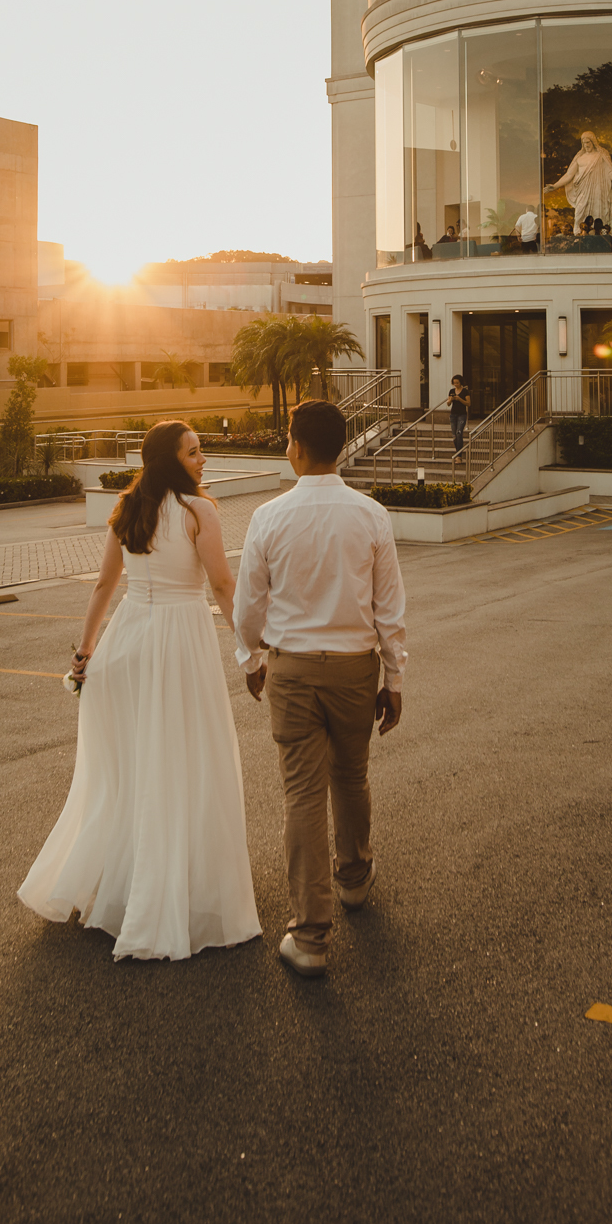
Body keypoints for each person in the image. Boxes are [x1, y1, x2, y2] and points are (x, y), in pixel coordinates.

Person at [17, 420, 261, 961]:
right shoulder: (200, 512)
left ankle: (130, 885)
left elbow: (105, 584)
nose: (204, 460)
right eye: (195, 452)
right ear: (172, 459)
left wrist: (86, 654)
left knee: (133, 769)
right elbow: (222, 583)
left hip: (130, 643)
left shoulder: (127, 508)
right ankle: (173, 887)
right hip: (179, 643)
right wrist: (251, 650)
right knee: (186, 760)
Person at [234, 399, 406, 978]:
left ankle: (310, 936)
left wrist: (251, 657)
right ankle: (354, 879)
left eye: (287, 440)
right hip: (357, 669)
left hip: (293, 670)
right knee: (351, 774)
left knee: (302, 794)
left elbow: (248, 606)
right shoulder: (371, 514)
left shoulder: (268, 517)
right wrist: (395, 677)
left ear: (298, 447)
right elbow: (390, 606)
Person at [544, 131, 612, 236]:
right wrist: (554, 186)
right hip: (583, 191)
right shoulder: (579, 158)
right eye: (584, 143)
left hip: (597, 190)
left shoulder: (601, 155)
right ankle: (578, 237)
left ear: (593, 142)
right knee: (579, 214)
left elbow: (609, 171)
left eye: (588, 142)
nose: (586, 145)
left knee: (598, 214)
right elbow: (569, 175)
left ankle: (598, 235)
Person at [445, 374, 470, 452]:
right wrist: (451, 400)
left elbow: (468, 403)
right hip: (453, 414)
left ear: (461, 383)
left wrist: (459, 399)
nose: (456, 384)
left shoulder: (465, 391)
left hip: (462, 414)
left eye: (457, 383)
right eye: (454, 383)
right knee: (454, 435)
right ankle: (458, 451)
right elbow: (448, 404)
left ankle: (459, 455)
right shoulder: (452, 391)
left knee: (459, 433)